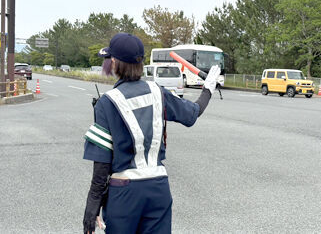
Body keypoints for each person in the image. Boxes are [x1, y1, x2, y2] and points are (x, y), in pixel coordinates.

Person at [82, 33, 220, 234]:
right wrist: (208, 89)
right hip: (158, 188)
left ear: (115, 62)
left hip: (124, 193)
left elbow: (102, 164)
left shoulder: (107, 102)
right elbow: (192, 114)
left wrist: (92, 207)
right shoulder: (158, 91)